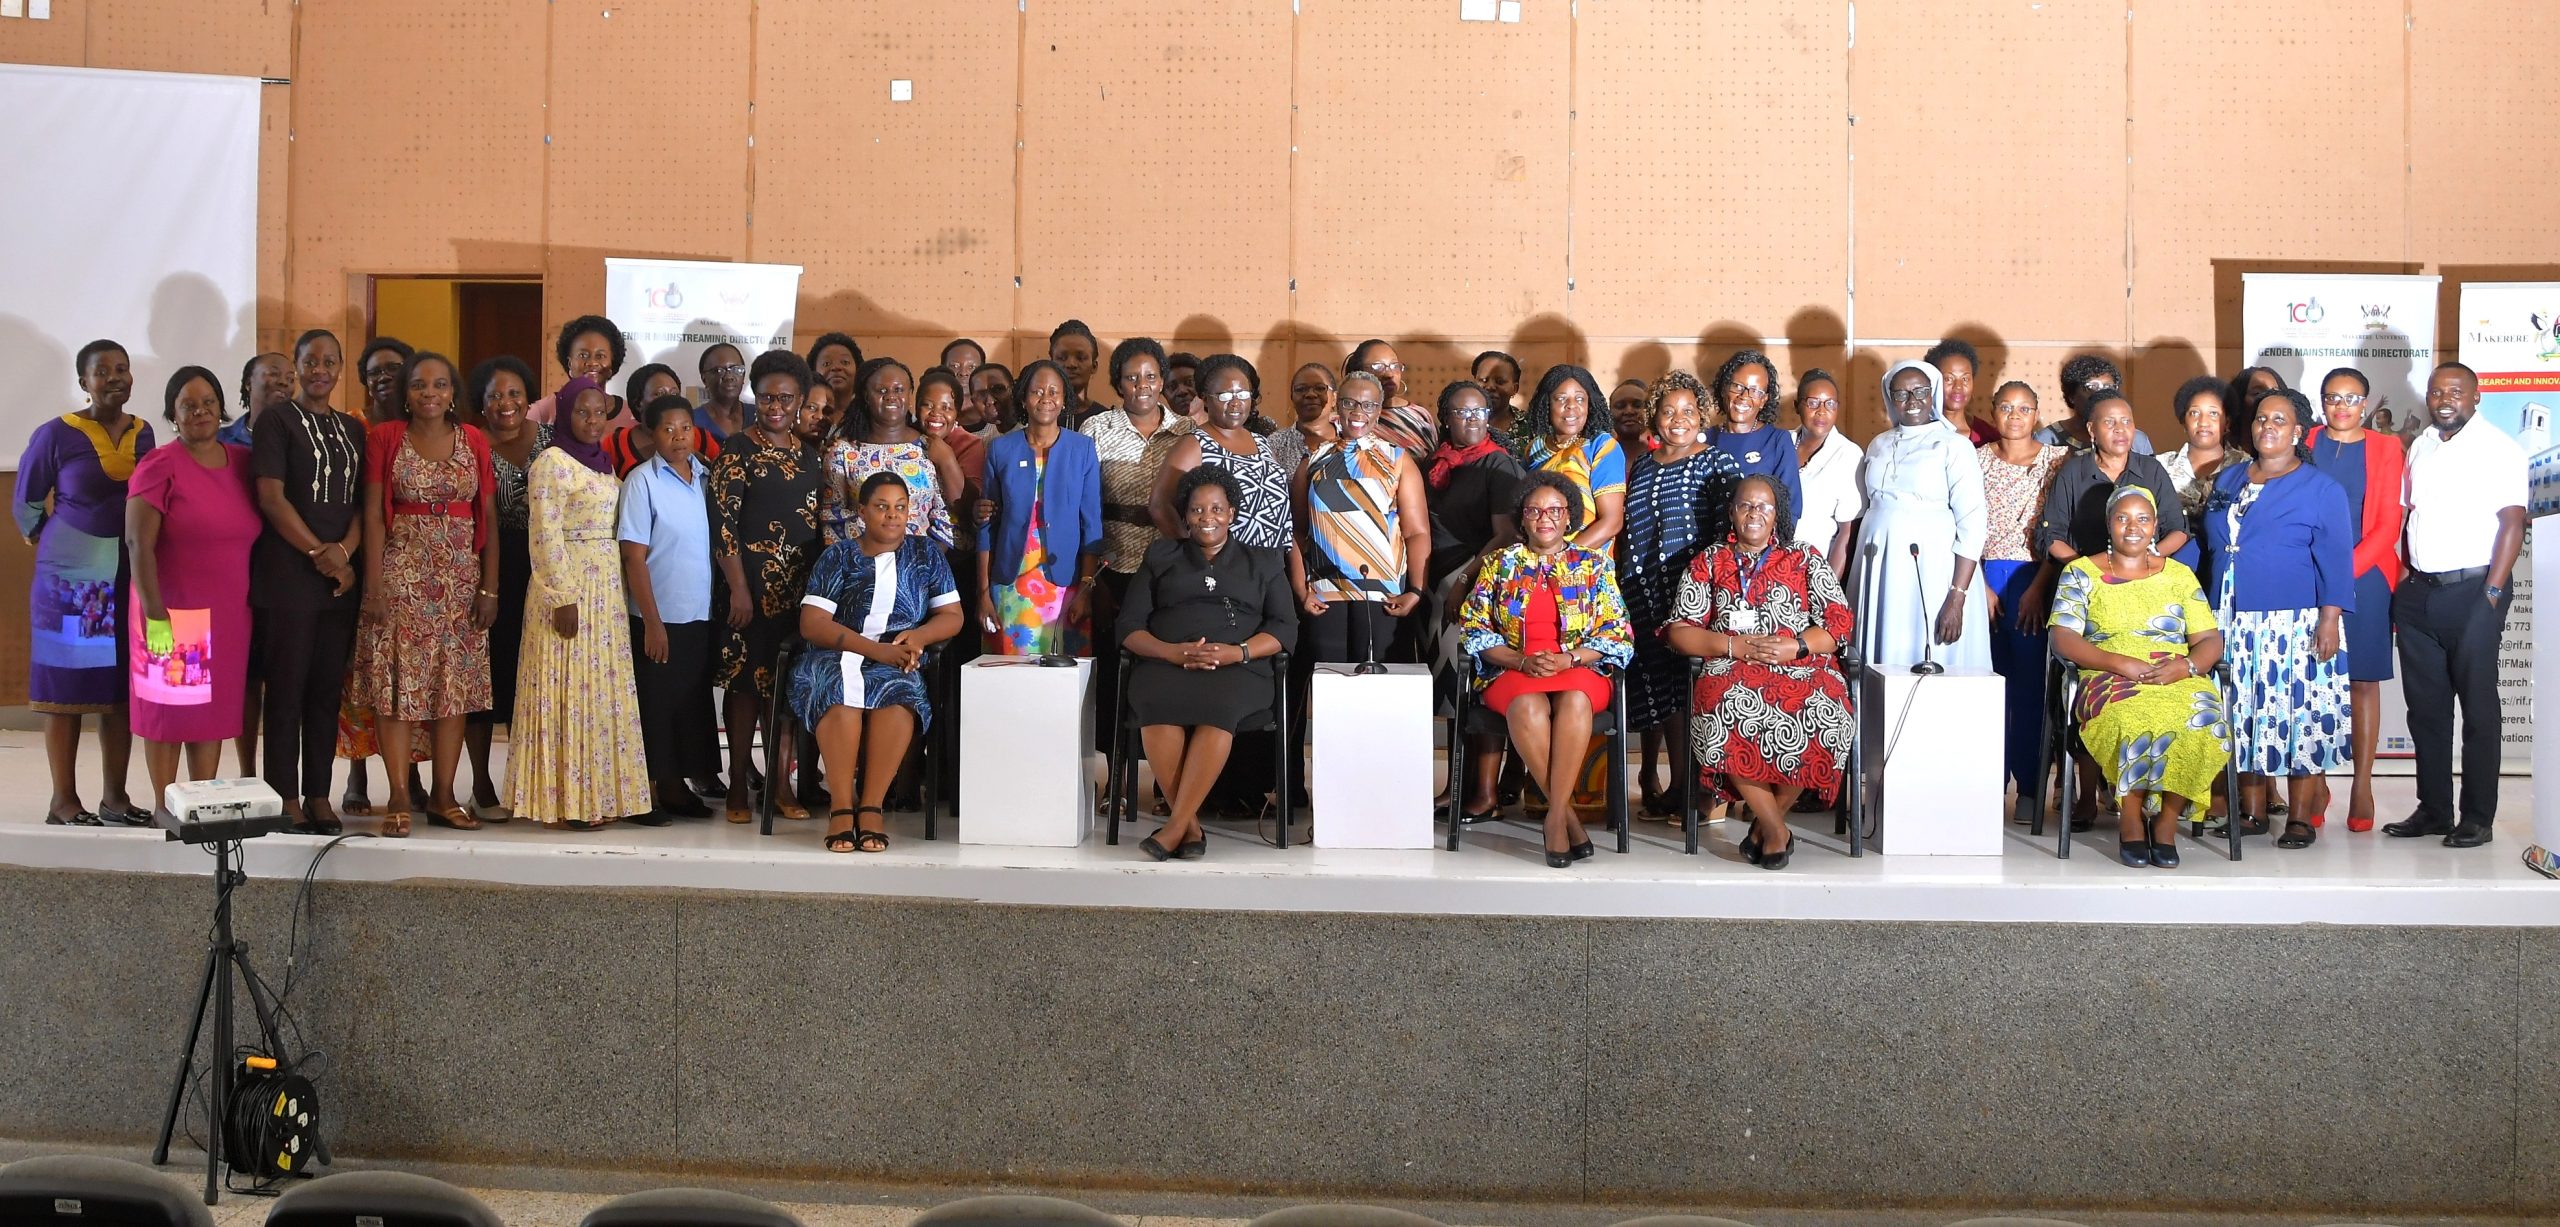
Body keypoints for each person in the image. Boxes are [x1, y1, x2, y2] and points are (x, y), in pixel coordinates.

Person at [1664, 475, 1856, 870]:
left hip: (1799, 664)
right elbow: (1679, 630)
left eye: (1765, 506)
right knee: (1725, 708)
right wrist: (1733, 646)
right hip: (1731, 667)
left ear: (1777, 515)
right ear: (1731, 513)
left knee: (1829, 713)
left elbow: (1839, 621)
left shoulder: (1804, 557)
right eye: (1746, 506)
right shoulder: (1710, 561)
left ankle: (1764, 829)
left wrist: (1797, 645)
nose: (1755, 514)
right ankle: (1775, 828)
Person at [349, 351, 499, 836]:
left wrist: (489, 586)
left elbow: (489, 518)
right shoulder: (386, 438)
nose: (429, 393)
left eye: (439, 384)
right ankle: (396, 793)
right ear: (405, 393)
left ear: (453, 392)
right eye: (418, 385)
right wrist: (373, 585)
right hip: (401, 577)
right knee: (398, 687)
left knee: (451, 691)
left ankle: (444, 797)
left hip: (459, 580)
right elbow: (373, 513)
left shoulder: (473, 439)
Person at [1119, 466, 1299, 860]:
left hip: (1239, 669)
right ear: (1184, 515)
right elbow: (1129, 626)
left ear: (1232, 513)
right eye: (1198, 510)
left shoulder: (1263, 561)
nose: (1207, 518)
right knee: (1155, 703)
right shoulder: (1161, 555)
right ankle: (1188, 827)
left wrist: (1239, 652)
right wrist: (1171, 652)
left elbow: (1285, 627)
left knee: (1220, 706)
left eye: (1217, 508)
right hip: (1167, 663)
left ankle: (1175, 828)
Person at [1456, 473, 1635, 866]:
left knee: (1574, 701)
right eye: (1535, 510)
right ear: (1522, 518)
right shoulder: (1500, 564)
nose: (1545, 518)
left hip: (1577, 668)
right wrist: (1520, 660)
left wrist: (1570, 658)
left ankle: (1554, 818)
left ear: (1569, 517)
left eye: (1554, 510)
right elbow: (1474, 629)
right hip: (1513, 669)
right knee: (1528, 707)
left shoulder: (1592, 564)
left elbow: (1618, 632)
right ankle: (1566, 816)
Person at [2047, 485, 2229, 869]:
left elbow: (2210, 639)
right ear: (2109, 524)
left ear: (2156, 526)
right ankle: (2130, 819)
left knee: (2205, 721)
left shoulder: (2179, 575)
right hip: (2105, 672)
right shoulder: (2081, 573)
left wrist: (2187, 666)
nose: (2133, 527)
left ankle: (2164, 824)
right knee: (2132, 720)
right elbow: (2061, 637)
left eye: (2143, 518)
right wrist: (2119, 663)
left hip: (2175, 673)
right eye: (2123, 518)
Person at [2202, 387, 2353, 849]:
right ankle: (2251, 813)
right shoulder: (2227, 479)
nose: (2268, 427)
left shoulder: (2321, 487)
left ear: (2298, 432)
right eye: (2262, 419)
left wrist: (2329, 619)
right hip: (2229, 617)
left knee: (2297, 714)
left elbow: (2336, 559)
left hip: (2296, 621)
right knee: (2242, 713)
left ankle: (2301, 818)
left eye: (2280, 420)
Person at [2387, 362, 2527, 849]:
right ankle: (2434, 809)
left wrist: (2492, 591)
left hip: (2474, 591)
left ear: (2476, 396)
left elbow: (2513, 523)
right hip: (2420, 593)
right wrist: (2404, 584)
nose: (2444, 398)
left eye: (2455, 391)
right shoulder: (2422, 444)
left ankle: (2478, 816)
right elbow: (2411, 519)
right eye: (2436, 391)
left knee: (2478, 708)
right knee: (2425, 710)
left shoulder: (2498, 449)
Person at [788, 472, 966, 853]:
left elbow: (952, 615)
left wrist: (919, 637)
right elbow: (812, 623)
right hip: (834, 652)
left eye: (900, 507)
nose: (892, 516)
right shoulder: (838, 555)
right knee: (837, 690)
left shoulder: (925, 554)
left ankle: (870, 807)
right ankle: (841, 806)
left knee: (900, 691)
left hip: (897, 652)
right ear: (862, 512)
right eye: (882, 507)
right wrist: (875, 651)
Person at [16, 339, 153, 826]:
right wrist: (54, 544)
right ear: (83, 382)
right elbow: (27, 502)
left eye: (122, 368)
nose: (114, 377)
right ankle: (63, 801)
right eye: (102, 371)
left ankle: (115, 798)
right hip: (73, 583)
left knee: (119, 691)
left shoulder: (145, 433)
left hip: (128, 576)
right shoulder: (56, 434)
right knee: (67, 692)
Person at [510, 376, 651, 829]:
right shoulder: (551, 462)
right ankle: (564, 800)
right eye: (581, 412)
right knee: (566, 689)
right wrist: (563, 595)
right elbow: (545, 533)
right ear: (564, 415)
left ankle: (598, 795)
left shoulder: (603, 462)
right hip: (567, 589)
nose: (592, 420)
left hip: (606, 590)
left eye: (599, 412)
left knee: (597, 690)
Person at [126, 366, 258, 821]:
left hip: (228, 615)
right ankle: (166, 807)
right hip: (172, 611)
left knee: (212, 717)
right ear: (172, 415)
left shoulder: (240, 461)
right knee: (168, 720)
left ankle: (202, 804)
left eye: (207, 402)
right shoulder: (160, 464)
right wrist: (155, 614)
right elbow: (138, 543)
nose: (199, 411)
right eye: (188, 405)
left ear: (222, 408)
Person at [251, 329, 365, 834]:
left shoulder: (352, 428)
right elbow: (272, 498)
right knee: (288, 693)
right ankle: (285, 797)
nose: (321, 370)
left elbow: (363, 505)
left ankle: (319, 794)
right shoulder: (277, 421)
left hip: (338, 581)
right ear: (297, 367)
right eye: (311, 361)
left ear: (341, 367)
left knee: (325, 693)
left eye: (330, 361)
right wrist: (320, 553)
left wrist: (344, 555)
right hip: (289, 576)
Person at [711, 350, 827, 822]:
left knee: (784, 695)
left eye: (785, 398)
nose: (774, 406)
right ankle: (738, 786)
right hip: (748, 596)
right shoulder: (738, 449)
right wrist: (738, 589)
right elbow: (723, 525)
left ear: (800, 400)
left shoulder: (811, 457)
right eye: (765, 397)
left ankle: (779, 787)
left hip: (796, 600)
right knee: (745, 692)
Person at [1618, 371, 1741, 816]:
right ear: (1655, 416)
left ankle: (1703, 789)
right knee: (1665, 689)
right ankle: (1681, 782)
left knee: (1694, 688)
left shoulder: (1716, 462)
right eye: (1668, 411)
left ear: (1702, 415)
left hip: (1691, 594)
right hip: (1643, 591)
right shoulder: (1645, 465)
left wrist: (1712, 594)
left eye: (1689, 411)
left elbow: (1728, 534)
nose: (1678, 420)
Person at [2306, 365, 2408, 832]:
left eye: (2351, 398)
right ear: (2322, 401)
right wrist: (2321, 573)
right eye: (2333, 397)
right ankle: (2318, 782)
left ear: (2365, 404)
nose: (2341, 406)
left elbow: (2388, 526)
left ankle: (2362, 784)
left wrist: (2340, 573)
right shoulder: (2304, 441)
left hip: (2365, 575)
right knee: (2315, 681)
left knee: (2363, 680)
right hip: (2306, 575)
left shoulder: (2388, 448)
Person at [613, 394, 720, 824]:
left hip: (698, 613)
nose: (679, 437)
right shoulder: (642, 482)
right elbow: (633, 557)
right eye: (667, 430)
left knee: (689, 704)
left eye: (685, 428)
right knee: (654, 708)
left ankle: (677, 790)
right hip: (657, 618)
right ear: (650, 435)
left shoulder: (706, 477)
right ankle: (646, 795)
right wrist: (652, 624)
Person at [1854, 360, 1990, 672]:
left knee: (1929, 652)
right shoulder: (1878, 443)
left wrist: (1957, 596)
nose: (1912, 401)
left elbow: (1973, 522)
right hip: (1880, 567)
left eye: (1920, 391)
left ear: (1934, 395)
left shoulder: (1954, 445)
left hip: (1933, 569)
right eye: (1901, 394)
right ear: (1890, 399)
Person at [1289, 370, 1430, 667]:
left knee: (1380, 689)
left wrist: (1415, 590)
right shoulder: (1312, 461)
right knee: (1330, 688)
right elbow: (1297, 532)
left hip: (1385, 593)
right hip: (1325, 592)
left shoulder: (1397, 459)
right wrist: (1302, 590)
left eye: (1368, 405)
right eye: (1350, 403)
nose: (1358, 412)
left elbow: (1416, 532)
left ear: (1379, 410)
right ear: (1336, 405)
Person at [461, 355, 546, 823]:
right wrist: (487, 586)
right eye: (495, 395)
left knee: (528, 679)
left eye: (514, 393)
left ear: (528, 396)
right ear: (482, 402)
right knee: (485, 679)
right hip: (486, 571)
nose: (506, 403)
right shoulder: (470, 444)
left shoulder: (554, 442)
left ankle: (524, 778)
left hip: (542, 571)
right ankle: (480, 782)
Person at [1975, 379, 2066, 801]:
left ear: (2037, 413)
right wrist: (1978, 585)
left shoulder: (2058, 461)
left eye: (2024, 408)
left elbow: (2060, 529)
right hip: (1983, 578)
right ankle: (1987, 782)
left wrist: (2039, 588)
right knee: (1986, 686)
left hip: (2035, 576)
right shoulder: (1974, 461)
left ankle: (2030, 785)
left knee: (2029, 687)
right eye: (2006, 408)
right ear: (1993, 412)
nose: (2015, 416)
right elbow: (1962, 526)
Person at [979, 361, 1105, 655]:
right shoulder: (1000, 449)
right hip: (1012, 579)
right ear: (1023, 398)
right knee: (1011, 674)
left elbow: (1092, 524)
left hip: (1066, 582)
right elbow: (987, 525)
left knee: (1064, 677)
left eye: (1054, 391)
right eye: (1037, 391)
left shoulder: (1082, 448)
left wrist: (1086, 588)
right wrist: (983, 592)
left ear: (1064, 399)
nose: (1046, 398)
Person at [223, 351, 293, 776]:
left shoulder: (305, 435)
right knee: (246, 680)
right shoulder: (223, 442)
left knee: (287, 680)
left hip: (290, 570)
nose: (282, 382)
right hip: (237, 573)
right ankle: (247, 772)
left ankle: (284, 778)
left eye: (289, 375)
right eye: (271, 375)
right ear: (248, 383)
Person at [2037, 388, 2194, 571]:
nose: (2120, 429)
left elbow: (2179, 530)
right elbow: (2050, 534)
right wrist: (2088, 569)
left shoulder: (2152, 470)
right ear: (2091, 429)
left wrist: (2141, 562)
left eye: (2127, 421)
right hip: (2085, 579)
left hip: (2145, 576)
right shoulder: (2072, 472)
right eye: (2110, 422)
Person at [1151, 354, 1292, 550]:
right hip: (1227, 571)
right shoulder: (1194, 444)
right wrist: (1194, 557)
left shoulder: (1262, 442)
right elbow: (1160, 506)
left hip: (1274, 568)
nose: (1235, 403)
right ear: (1205, 400)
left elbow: (1284, 514)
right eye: (1225, 396)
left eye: (1242, 394)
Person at [820, 357, 960, 547]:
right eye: (882, 390)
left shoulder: (931, 448)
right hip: (862, 566)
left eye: (899, 390)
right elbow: (832, 515)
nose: (891, 396)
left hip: (921, 565)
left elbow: (945, 513)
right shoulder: (842, 452)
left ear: (910, 394)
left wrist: (926, 562)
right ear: (866, 396)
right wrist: (865, 562)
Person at [1522, 364, 1627, 549]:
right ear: (1547, 404)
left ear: (1590, 404)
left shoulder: (1601, 446)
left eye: (1580, 399)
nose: (1571, 406)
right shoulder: (1534, 449)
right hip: (1536, 563)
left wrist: (1562, 559)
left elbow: (1612, 521)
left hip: (1587, 564)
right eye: (1561, 399)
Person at [1703, 349, 1804, 513]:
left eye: (1755, 391)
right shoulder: (1704, 440)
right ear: (1723, 389)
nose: (1744, 396)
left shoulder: (1777, 441)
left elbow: (1790, 508)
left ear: (1764, 400)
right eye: (1737, 386)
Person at [1789, 369, 1863, 563]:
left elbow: (1847, 532)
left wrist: (1828, 587)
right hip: (1772, 566)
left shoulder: (1848, 454)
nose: (1822, 411)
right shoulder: (1781, 443)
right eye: (1813, 403)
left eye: (1830, 404)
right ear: (1797, 406)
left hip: (1815, 566)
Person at [2038, 355, 2156, 454]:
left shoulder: (2136, 440)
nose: (2101, 393)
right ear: (2072, 396)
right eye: (2092, 387)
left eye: (2108, 387)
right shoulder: (2047, 439)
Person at [2158, 376, 2233, 527]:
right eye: (2194, 413)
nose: (2204, 422)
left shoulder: (2245, 467)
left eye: (2213, 413)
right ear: (2184, 422)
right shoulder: (2159, 467)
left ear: (2227, 423)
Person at [526, 315, 627, 426]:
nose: (592, 363)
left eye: (600, 356)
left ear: (612, 362)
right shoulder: (544, 410)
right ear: (569, 363)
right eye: (583, 355)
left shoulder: (629, 414)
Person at [1348, 339, 1436, 454]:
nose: (1389, 374)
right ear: (1358, 372)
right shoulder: (1346, 419)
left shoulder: (1420, 416)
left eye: (1394, 366)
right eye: (1377, 366)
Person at [1269, 362, 1337, 478]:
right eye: (1301, 389)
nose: (1310, 394)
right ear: (1292, 398)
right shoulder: (1275, 444)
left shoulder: (1352, 440)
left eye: (1320, 388)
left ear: (1334, 398)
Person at [1925, 338, 1996, 445]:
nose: (1958, 386)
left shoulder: (1988, 436)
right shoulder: (1918, 434)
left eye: (1965, 379)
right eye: (1948, 378)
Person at [219, 350, 291, 448]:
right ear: (249, 384)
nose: (284, 382)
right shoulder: (221, 440)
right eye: (274, 374)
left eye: (290, 378)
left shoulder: (300, 439)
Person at [806, 332, 864, 437]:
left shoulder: (868, 416)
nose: (836, 367)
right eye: (826, 364)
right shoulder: (803, 417)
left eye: (845, 362)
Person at [692, 342, 750, 448]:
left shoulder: (759, 416)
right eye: (719, 371)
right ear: (704, 379)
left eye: (736, 369)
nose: (729, 377)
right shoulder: (692, 422)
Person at [1472, 349, 1527, 457]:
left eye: (1500, 381)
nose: (1490, 386)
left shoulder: (1530, 425)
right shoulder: (1462, 423)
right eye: (1483, 380)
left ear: (1514, 388)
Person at [1050, 319, 1107, 419]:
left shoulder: (1106, 421)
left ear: (1094, 366)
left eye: (1080, 358)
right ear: (1051, 364)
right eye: (1062, 358)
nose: (1071, 364)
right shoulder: (1036, 417)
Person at [355, 336, 413, 428]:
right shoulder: (349, 425)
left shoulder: (422, 424)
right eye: (374, 372)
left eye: (393, 368)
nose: (383, 377)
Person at [967, 362, 1015, 436]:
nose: (990, 401)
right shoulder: (984, 442)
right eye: (981, 395)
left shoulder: (1034, 433)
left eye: (998, 390)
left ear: (1013, 390)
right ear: (973, 402)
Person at [1608, 378, 1653, 456]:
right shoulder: (1597, 456)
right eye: (1620, 406)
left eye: (1637, 405)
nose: (1629, 411)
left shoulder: (1664, 456)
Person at [1164, 351, 1202, 423]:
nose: (1181, 391)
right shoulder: (1161, 433)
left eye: (1189, 382)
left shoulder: (1226, 427)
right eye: (1172, 387)